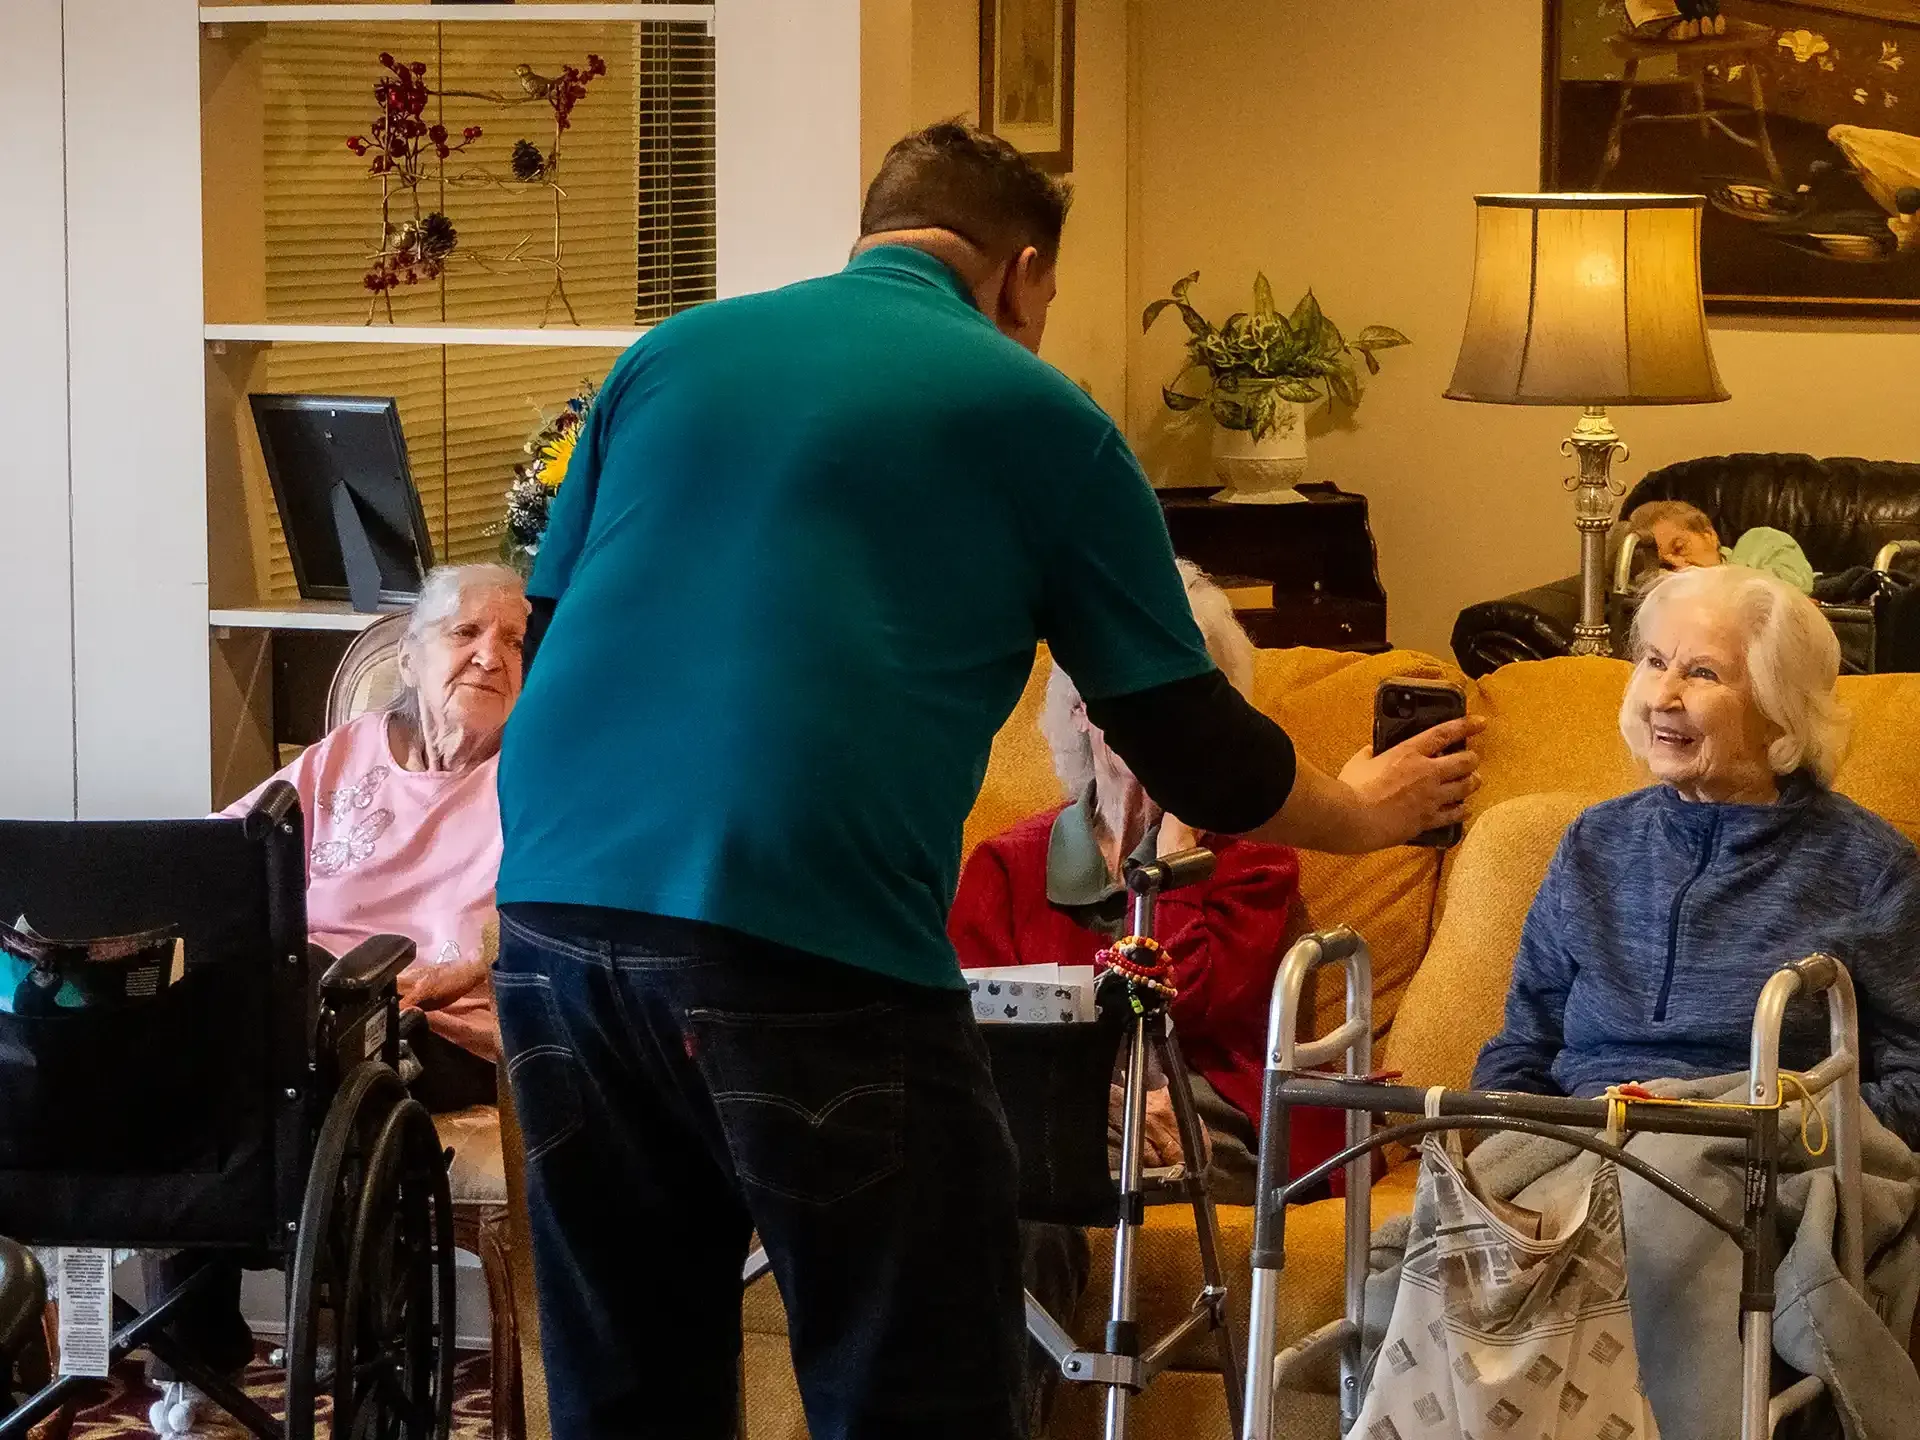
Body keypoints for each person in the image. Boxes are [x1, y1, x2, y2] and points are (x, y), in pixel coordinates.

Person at [494, 121, 1481, 1440]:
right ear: (1020, 274)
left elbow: (548, 636)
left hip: (555, 921)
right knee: (924, 1384)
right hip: (800, 934)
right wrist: (1357, 810)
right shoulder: (1034, 413)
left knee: (630, 1384)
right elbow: (1186, 737)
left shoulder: (668, 357)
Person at [150, 563, 528, 1416]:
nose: (488, 656)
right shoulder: (349, 752)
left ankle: (364, 1352)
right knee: (203, 1049)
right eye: (465, 633)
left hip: (443, 1020)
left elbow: (565, 910)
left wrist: (470, 965)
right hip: (308, 1003)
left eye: (512, 640)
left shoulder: (539, 777)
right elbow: (227, 851)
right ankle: (196, 1355)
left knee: (330, 1066)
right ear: (410, 653)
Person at [1474, 563, 1920, 1149]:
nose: (1662, 696)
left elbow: (1913, 1083)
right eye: (1655, 662)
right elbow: (1524, 1046)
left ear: (1777, 709)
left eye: (1702, 673)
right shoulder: (1595, 842)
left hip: (1756, 1165)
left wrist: (1774, 1132)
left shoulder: (1871, 870)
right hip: (1582, 1151)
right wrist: (1498, 1146)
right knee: (1407, 1237)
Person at [951, 559, 1343, 1200]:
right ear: (1079, 710)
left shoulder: (1254, 862)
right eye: (1136, 691)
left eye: (1191, 698)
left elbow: (1185, 1003)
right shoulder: (1006, 865)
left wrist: (1177, 850)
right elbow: (970, 1033)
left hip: (1207, 1107)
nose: (1163, 723)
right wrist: (1093, 1095)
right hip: (1052, 1108)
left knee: (1037, 1163)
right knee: (1005, 1154)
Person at [1630, 498, 1815, 594]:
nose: (1680, 565)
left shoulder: (1761, 541)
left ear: (1708, 534)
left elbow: (1796, 585)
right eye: (1666, 566)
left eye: (1679, 547)